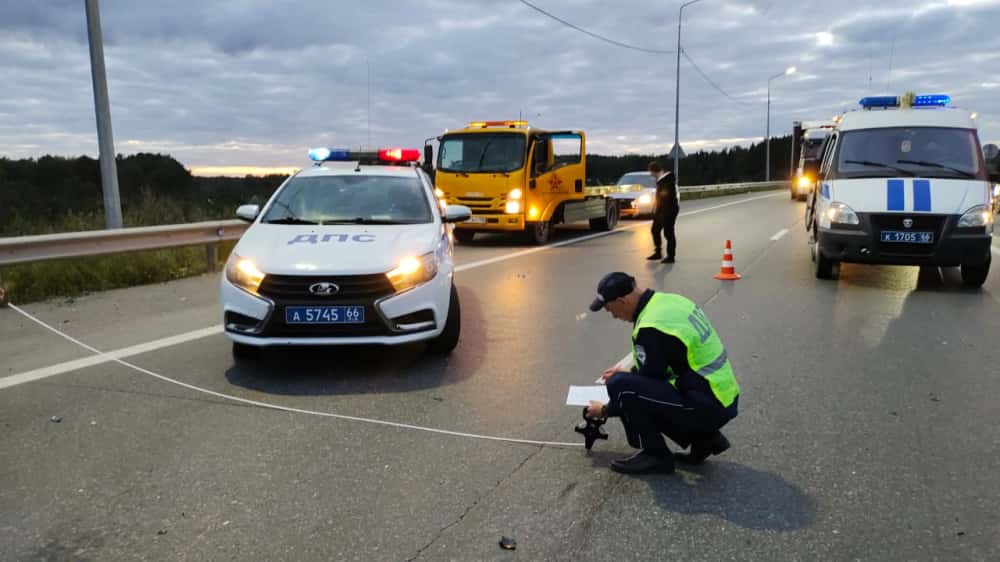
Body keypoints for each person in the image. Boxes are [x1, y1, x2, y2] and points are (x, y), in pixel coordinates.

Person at [587, 272, 740, 474]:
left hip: (707, 403)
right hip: (722, 395)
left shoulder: (650, 326)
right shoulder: (669, 301)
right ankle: (705, 438)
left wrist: (605, 410)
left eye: (610, 309)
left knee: (619, 386)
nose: (613, 316)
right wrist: (631, 375)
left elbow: (642, 387)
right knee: (628, 382)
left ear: (622, 301)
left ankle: (655, 455)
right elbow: (658, 367)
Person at [646, 161, 678, 264]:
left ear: (655, 171)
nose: (650, 174)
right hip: (661, 210)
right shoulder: (661, 180)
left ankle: (671, 256)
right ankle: (658, 253)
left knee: (668, 233)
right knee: (655, 230)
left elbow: (667, 197)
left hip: (669, 210)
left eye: (650, 172)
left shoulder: (668, 180)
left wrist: (664, 212)